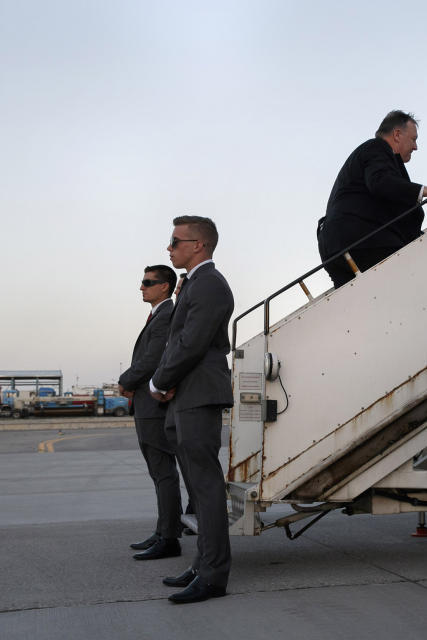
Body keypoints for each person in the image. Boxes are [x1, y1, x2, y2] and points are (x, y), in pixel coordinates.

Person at [150, 215, 234, 604]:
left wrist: (158, 380)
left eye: (175, 241)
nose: (169, 248)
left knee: (206, 487)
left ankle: (214, 575)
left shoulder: (210, 284)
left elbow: (190, 343)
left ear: (198, 245)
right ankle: (202, 563)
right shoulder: (194, 284)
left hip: (197, 392)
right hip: (186, 393)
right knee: (197, 489)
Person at [318, 110, 427, 288]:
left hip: (335, 247)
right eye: (413, 139)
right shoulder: (377, 148)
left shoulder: (367, 158)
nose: (415, 147)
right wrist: (426, 190)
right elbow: (380, 182)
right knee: (419, 283)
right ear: (397, 134)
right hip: (362, 241)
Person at [118, 265, 183, 560]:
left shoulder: (166, 314)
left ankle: (169, 537)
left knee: (162, 471)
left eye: (148, 282)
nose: (141, 287)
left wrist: (126, 381)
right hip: (147, 404)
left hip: (152, 406)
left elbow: (151, 359)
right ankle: (163, 530)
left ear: (164, 286)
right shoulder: (159, 314)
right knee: (159, 472)